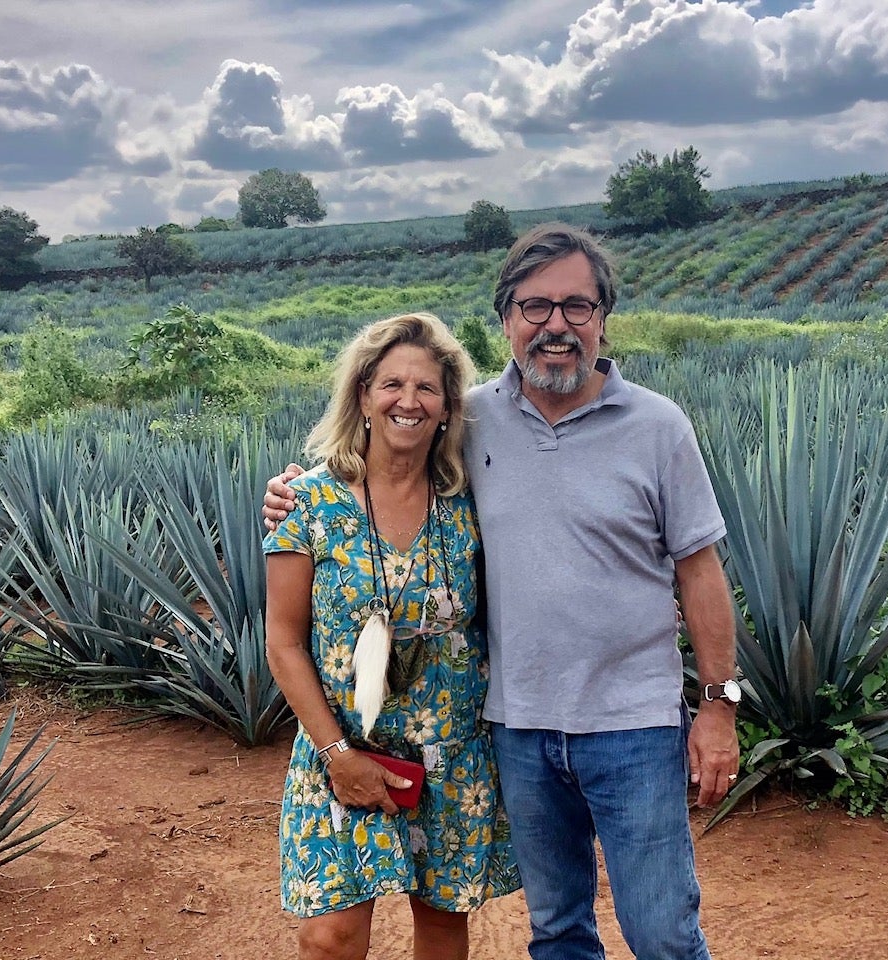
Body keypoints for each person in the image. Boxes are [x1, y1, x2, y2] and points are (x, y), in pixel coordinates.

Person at [265, 224, 739, 960]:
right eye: (535, 306)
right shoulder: (475, 420)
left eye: (577, 306)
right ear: (507, 319)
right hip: (516, 729)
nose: (556, 325)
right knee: (557, 933)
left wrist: (717, 707)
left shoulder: (656, 425)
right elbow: (385, 451)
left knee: (662, 934)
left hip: (630, 725)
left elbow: (699, 571)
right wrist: (290, 490)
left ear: (603, 317)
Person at [263, 312, 519, 960]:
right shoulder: (308, 504)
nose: (409, 401)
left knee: (440, 928)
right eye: (392, 385)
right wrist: (336, 756)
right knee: (330, 938)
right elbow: (284, 642)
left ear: (446, 409)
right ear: (363, 397)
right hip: (340, 748)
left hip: (450, 755)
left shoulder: (471, 505)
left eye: (427, 388)